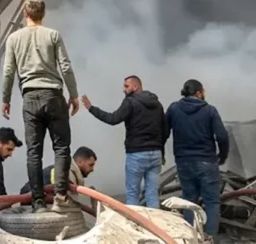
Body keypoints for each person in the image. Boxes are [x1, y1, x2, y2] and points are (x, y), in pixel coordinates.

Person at [0, 0, 79, 213]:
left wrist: (6, 99)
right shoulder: (53, 35)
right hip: (53, 95)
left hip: (30, 97)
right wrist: (74, 95)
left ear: (25, 14)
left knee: (34, 153)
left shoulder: (13, 38)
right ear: (43, 14)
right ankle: (61, 197)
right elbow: (65, 67)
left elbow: (8, 72)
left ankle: (38, 202)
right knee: (61, 148)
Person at [81, 75, 168, 208]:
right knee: (152, 194)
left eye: (126, 86)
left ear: (135, 86)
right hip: (155, 154)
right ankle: (154, 221)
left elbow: (113, 119)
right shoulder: (157, 104)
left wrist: (91, 108)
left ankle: (133, 221)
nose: (123, 89)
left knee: (133, 194)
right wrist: (160, 150)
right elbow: (165, 129)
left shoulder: (130, 102)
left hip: (137, 153)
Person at [165, 79, 229, 236]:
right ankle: (209, 238)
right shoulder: (210, 111)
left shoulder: (173, 109)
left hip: (183, 162)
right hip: (207, 162)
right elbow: (222, 136)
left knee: (188, 201)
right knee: (211, 201)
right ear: (198, 93)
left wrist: (160, 152)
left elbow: (163, 133)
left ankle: (191, 237)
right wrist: (222, 156)